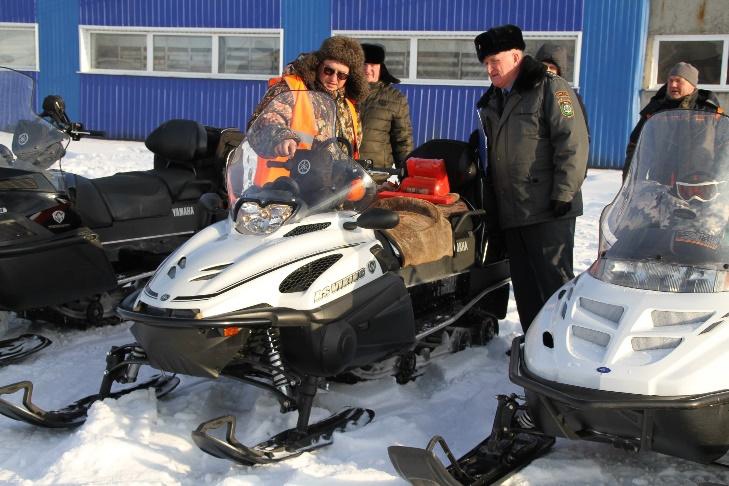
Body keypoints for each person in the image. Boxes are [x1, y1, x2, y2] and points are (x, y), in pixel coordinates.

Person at [474, 24, 589, 332]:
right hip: (514, 212)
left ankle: (561, 351)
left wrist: (563, 194)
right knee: (525, 289)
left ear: (515, 56)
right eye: (485, 63)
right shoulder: (494, 100)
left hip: (548, 210)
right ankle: (534, 346)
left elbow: (573, 142)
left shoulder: (551, 87)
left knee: (554, 287)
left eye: (493, 61)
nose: (489, 69)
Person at [246, 35, 368, 166]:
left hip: (333, 183)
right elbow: (265, 121)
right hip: (288, 179)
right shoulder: (292, 89)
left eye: (342, 75)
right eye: (329, 71)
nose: (334, 78)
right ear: (317, 65)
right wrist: (281, 137)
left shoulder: (349, 104)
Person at [623, 61, 721, 180]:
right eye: (670, 80)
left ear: (692, 84)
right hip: (661, 186)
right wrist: (633, 185)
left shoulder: (710, 112)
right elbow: (636, 149)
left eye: (679, 81)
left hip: (699, 187)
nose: (673, 85)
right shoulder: (654, 111)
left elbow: (725, 148)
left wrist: (721, 181)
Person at [358, 43, 414, 171]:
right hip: (344, 173)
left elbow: (403, 141)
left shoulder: (396, 99)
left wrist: (406, 174)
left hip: (377, 173)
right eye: (364, 64)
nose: (367, 69)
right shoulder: (345, 93)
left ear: (381, 67)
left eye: (372, 65)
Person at [535, 43, 590, 140]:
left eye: (552, 68)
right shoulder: (527, 94)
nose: (547, 70)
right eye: (544, 66)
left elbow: (578, 137)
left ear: (559, 72)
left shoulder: (569, 98)